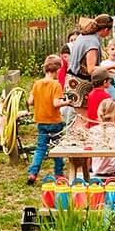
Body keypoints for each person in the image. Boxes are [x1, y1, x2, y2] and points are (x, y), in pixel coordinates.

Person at [27, 55, 70, 184]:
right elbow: (56, 103)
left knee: (40, 149)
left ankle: (33, 173)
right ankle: (59, 174)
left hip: (41, 122)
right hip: (55, 122)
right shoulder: (56, 85)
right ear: (57, 70)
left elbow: (30, 101)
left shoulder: (37, 84)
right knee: (57, 149)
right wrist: (67, 102)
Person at [67, 14, 113, 105]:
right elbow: (91, 69)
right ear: (106, 29)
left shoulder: (84, 36)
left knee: (78, 116)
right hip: (80, 84)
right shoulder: (92, 42)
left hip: (72, 81)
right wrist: (112, 66)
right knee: (83, 117)